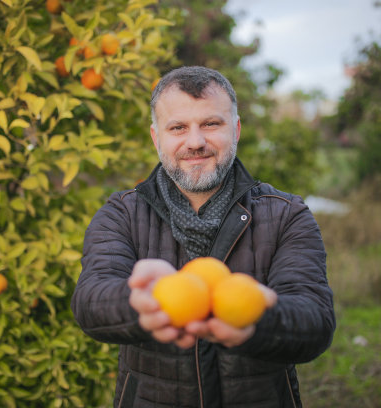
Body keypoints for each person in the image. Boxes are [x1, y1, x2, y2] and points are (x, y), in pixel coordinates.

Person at [71, 66, 336, 407]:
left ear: (236, 130)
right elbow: (90, 300)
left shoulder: (286, 214)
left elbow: (316, 320)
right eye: (178, 127)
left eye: (211, 124)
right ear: (156, 138)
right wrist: (135, 302)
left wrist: (262, 318)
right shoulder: (122, 213)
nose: (195, 142)